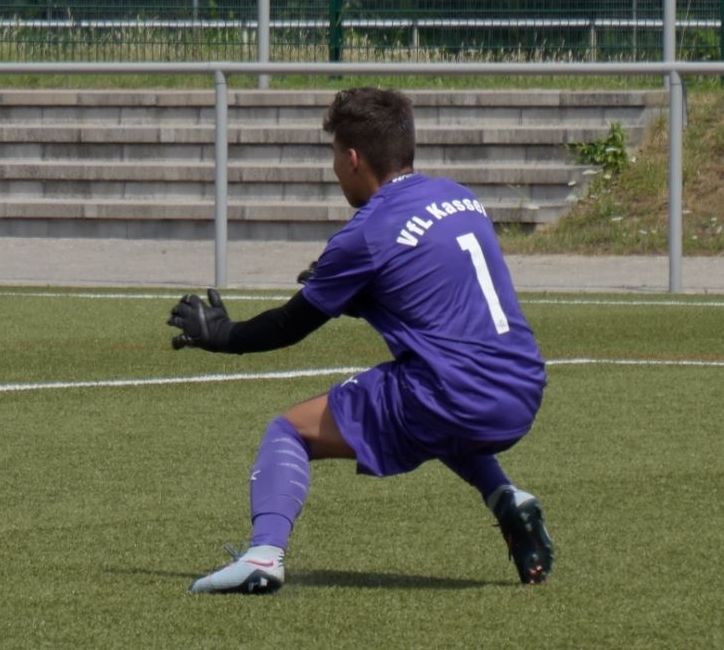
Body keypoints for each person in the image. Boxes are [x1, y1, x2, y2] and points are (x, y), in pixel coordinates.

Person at [167, 87, 554, 593]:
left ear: (353, 158)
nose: (334, 170)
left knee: (289, 431)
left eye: (334, 156)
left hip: (454, 396)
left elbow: (290, 325)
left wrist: (224, 335)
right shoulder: (459, 196)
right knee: (437, 416)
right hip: (523, 387)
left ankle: (263, 555)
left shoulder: (366, 232)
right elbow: (430, 287)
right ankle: (507, 498)